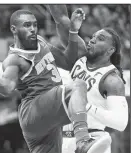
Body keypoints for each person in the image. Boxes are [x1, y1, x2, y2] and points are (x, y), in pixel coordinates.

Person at [0, 9, 110, 153]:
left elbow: (69, 63)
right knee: (78, 86)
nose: (33, 29)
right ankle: (83, 140)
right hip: (34, 111)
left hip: (48, 117)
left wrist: (73, 31)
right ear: (14, 29)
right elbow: (6, 88)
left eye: (34, 25)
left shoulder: (40, 42)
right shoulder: (14, 59)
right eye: (27, 25)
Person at [48, 5, 129, 153]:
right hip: (64, 140)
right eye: (93, 37)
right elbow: (60, 19)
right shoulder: (80, 55)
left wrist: (85, 106)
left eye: (100, 39)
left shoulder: (111, 80)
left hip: (93, 139)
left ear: (110, 50)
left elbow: (120, 123)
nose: (92, 40)